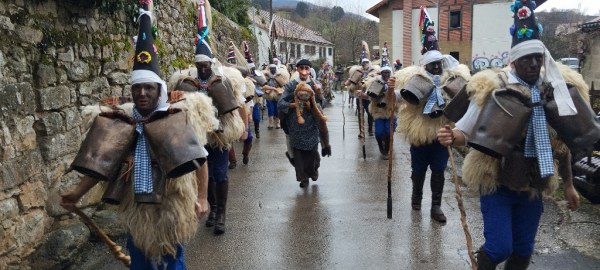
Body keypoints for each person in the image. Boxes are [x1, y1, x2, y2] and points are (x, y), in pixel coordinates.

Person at [61, 2, 210, 268]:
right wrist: (76, 193)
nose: (142, 93)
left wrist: (201, 198)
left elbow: (201, 160)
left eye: (149, 88)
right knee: (141, 262)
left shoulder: (174, 119)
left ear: (159, 90)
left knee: (172, 261)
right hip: (137, 207)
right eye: (137, 88)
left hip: (170, 205)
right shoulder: (123, 123)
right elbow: (101, 165)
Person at [437, 1, 581, 268]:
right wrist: (451, 136)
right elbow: (467, 131)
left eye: (538, 58)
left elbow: (562, 144)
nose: (534, 64)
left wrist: (569, 184)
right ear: (514, 59)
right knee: (499, 247)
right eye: (527, 58)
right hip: (497, 181)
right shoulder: (496, 88)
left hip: (533, 184)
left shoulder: (553, 91)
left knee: (523, 251)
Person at [396, 6, 471, 224]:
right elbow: (400, 97)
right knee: (418, 170)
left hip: (441, 133)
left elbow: (462, 94)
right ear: (426, 64)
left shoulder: (451, 77)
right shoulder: (415, 77)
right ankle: (416, 196)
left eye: (439, 62)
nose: (436, 66)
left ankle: (436, 206)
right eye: (432, 64)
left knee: (438, 170)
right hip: (420, 134)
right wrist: (395, 90)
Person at [193, 5, 245, 235]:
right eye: (199, 66)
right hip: (198, 137)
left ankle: (222, 213)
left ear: (211, 64)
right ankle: (212, 210)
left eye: (206, 65)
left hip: (220, 136)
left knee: (221, 174)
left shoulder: (225, 81)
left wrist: (241, 128)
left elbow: (238, 104)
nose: (203, 69)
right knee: (207, 175)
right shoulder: (189, 81)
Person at [278, 59, 331, 188]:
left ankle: (313, 170)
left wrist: (319, 94)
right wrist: (293, 105)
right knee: (299, 156)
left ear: (310, 70)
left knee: (312, 153)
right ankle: (303, 178)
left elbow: (323, 104)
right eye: (301, 68)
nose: (303, 71)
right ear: (297, 70)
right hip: (296, 124)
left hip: (312, 125)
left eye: (306, 68)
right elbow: (280, 103)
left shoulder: (315, 85)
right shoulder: (291, 86)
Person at [358, 64, 400, 160]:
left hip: (391, 111)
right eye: (384, 72)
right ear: (381, 73)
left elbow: (399, 96)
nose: (386, 74)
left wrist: (390, 92)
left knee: (389, 132)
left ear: (391, 73)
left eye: (387, 72)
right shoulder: (376, 82)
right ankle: (381, 147)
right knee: (379, 133)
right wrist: (362, 94)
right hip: (379, 111)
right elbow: (369, 96)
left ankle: (388, 149)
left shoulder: (396, 83)